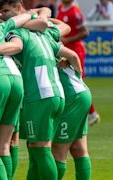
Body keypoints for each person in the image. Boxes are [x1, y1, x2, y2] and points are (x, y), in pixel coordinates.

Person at [0, 0, 82, 180]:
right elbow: (69, 45)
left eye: (6, 11)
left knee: (40, 149)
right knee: (35, 151)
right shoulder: (45, 34)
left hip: (39, 95)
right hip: (57, 94)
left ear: (18, 7)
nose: (3, 16)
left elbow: (17, 45)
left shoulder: (17, 32)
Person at [43, 21, 93, 180]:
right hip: (81, 93)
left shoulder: (44, 41)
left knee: (58, 150)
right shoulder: (49, 38)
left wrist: (78, 72)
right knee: (79, 148)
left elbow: (73, 55)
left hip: (72, 97)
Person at [57, 0, 101, 126]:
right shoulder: (60, 8)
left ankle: (91, 114)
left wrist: (68, 39)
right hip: (65, 50)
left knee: (77, 81)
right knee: (66, 80)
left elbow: (85, 32)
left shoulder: (75, 12)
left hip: (76, 51)